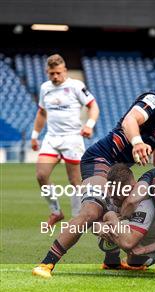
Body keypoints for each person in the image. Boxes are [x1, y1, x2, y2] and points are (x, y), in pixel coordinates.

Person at [32, 63, 155, 278]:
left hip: (118, 169)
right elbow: (130, 120)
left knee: (120, 211)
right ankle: (46, 264)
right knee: (92, 212)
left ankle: (111, 261)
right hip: (99, 159)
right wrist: (137, 142)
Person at [31, 54, 100, 226]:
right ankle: (56, 211)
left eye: (58, 73)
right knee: (41, 175)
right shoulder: (45, 88)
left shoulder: (76, 86)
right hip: (52, 138)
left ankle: (77, 217)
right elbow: (41, 112)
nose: (55, 77)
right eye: (51, 73)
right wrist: (34, 135)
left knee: (75, 181)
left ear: (65, 71)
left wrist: (89, 124)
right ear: (47, 72)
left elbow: (93, 106)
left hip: (72, 139)